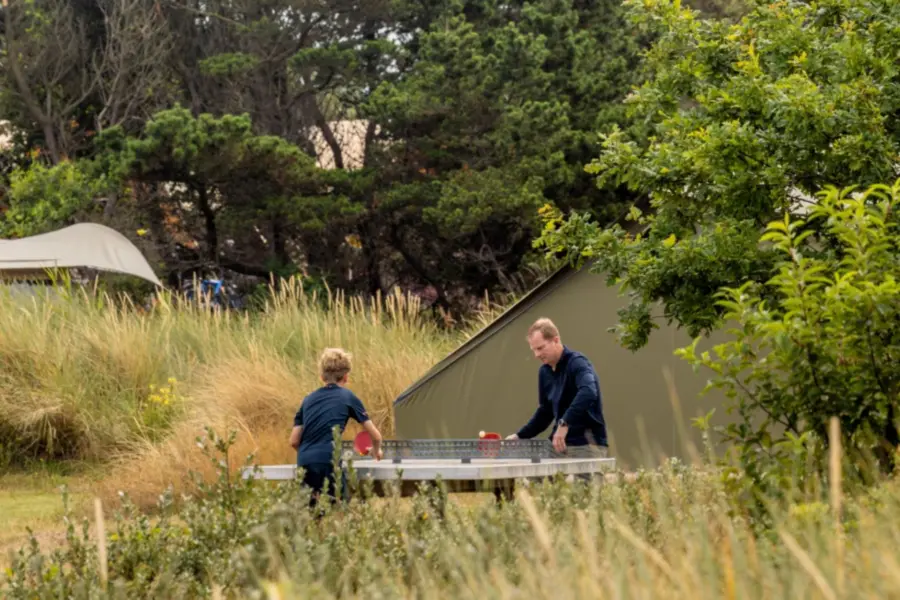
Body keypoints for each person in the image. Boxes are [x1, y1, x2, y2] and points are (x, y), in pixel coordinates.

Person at [289, 347, 383, 508]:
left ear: (321, 377)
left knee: (311, 514)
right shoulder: (348, 397)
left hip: (304, 460)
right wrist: (376, 450)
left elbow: (294, 441)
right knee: (337, 509)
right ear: (346, 377)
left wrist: (311, 454)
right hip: (328, 460)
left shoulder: (307, 400)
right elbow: (376, 436)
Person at [506, 318, 609, 460]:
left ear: (555, 340)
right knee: (532, 474)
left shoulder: (578, 363)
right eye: (534, 350)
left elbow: (588, 392)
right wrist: (519, 436)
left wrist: (564, 423)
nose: (536, 355)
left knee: (580, 483)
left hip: (587, 444)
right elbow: (545, 412)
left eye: (540, 348)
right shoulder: (544, 372)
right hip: (557, 445)